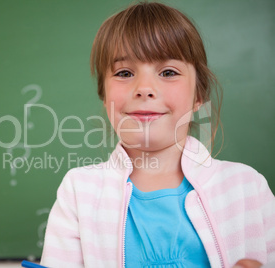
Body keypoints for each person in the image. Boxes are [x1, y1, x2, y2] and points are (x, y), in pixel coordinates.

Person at [40, 2, 275, 267]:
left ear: (199, 96)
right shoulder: (79, 191)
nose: (144, 89)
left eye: (168, 72)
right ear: (105, 98)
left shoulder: (247, 189)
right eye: (125, 73)